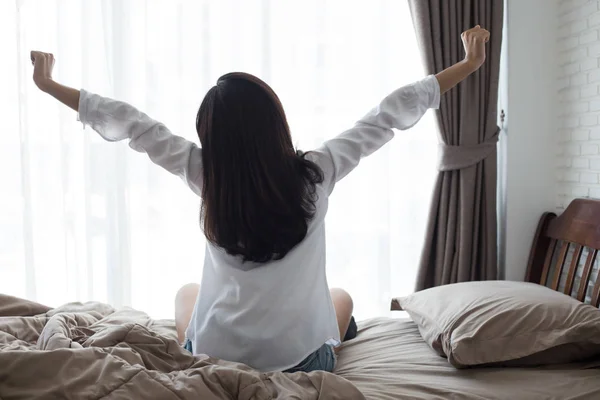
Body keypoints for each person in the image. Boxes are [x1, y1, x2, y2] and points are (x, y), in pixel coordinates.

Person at [30, 25, 489, 373]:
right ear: (276, 122)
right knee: (341, 297)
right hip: (299, 363)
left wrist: (50, 85)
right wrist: (467, 65)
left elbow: (134, 125)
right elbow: (386, 116)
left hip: (216, 355)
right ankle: (329, 335)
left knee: (187, 293)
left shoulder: (206, 174)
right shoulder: (318, 171)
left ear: (213, 137)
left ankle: (224, 341)